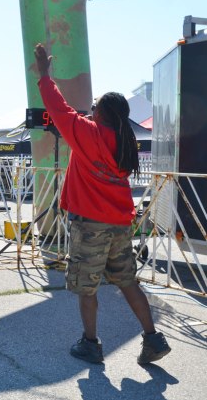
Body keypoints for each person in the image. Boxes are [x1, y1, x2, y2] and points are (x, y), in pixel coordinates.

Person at [34, 43, 171, 364]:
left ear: (102, 114)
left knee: (87, 287)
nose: (90, 109)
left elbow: (57, 107)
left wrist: (44, 74)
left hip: (90, 226)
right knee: (127, 281)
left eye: (94, 106)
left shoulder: (87, 133)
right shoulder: (125, 141)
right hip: (120, 223)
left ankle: (90, 343)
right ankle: (153, 339)